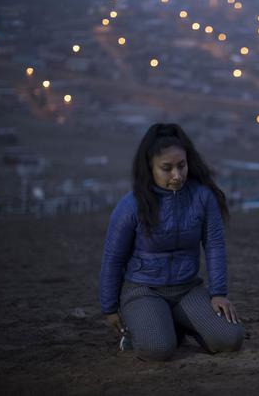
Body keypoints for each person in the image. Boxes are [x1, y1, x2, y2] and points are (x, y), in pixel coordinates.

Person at [99, 123, 244, 361]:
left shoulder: (203, 197)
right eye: (167, 168)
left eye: (182, 166)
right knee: (159, 349)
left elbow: (214, 246)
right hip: (144, 290)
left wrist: (218, 293)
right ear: (150, 167)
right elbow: (113, 259)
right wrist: (109, 308)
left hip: (187, 288)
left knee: (231, 338)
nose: (177, 175)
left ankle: (176, 322)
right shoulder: (131, 205)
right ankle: (151, 327)